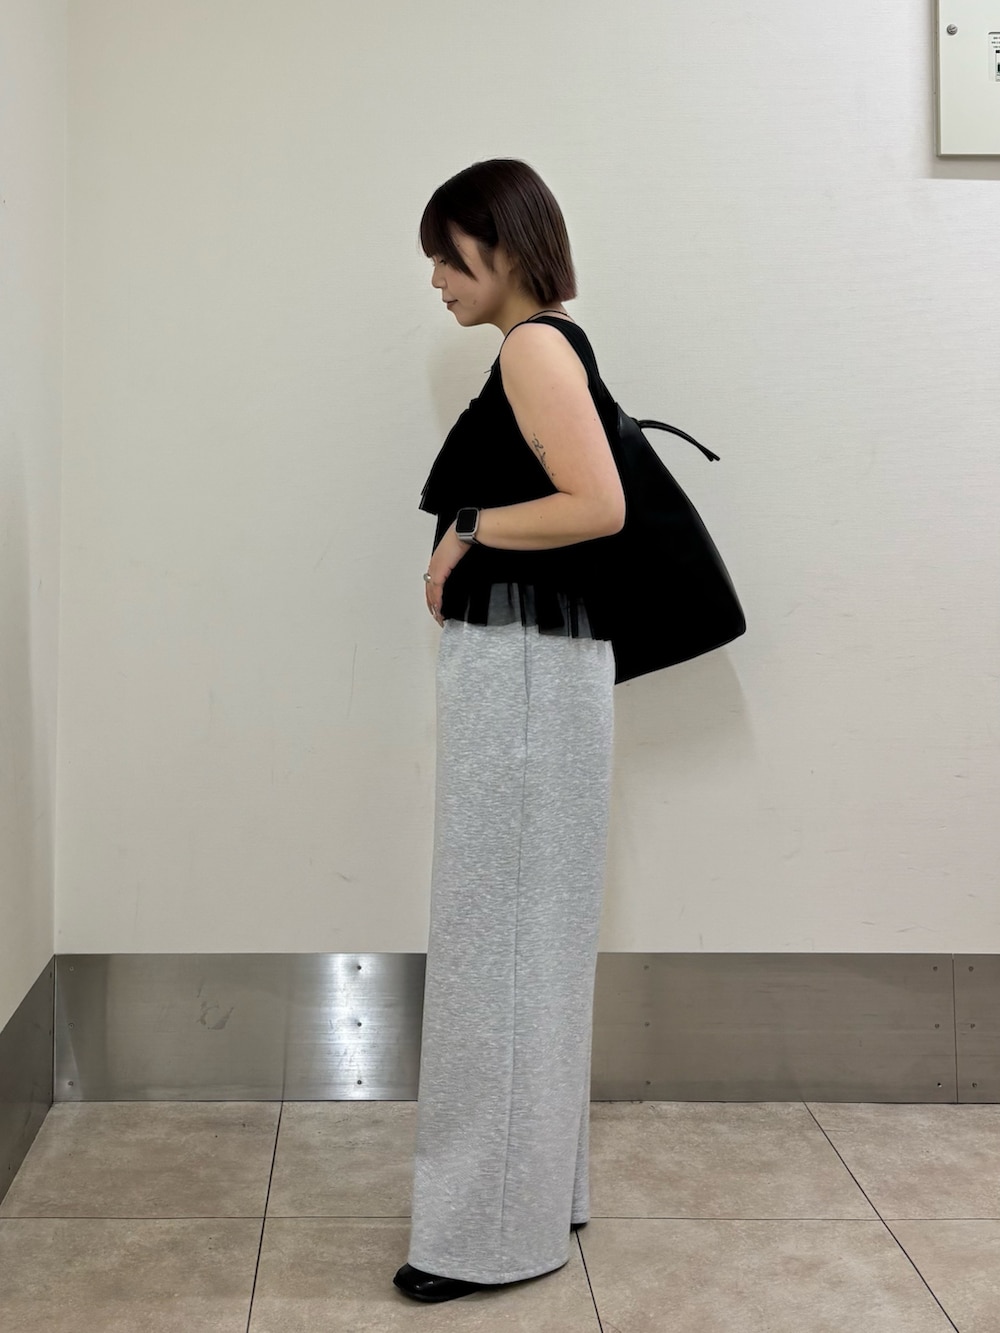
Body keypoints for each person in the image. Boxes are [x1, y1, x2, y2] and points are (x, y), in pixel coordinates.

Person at [393, 159, 625, 1304]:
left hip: (525, 674)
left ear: (507, 246)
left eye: (450, 254)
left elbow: (597, 505)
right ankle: (536, 1197)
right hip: (535, 670)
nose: (436, 277)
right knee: (528, 939)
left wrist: (469, 527)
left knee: (499, 944)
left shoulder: (533, 348)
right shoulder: (543, 346)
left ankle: (484, 1235)